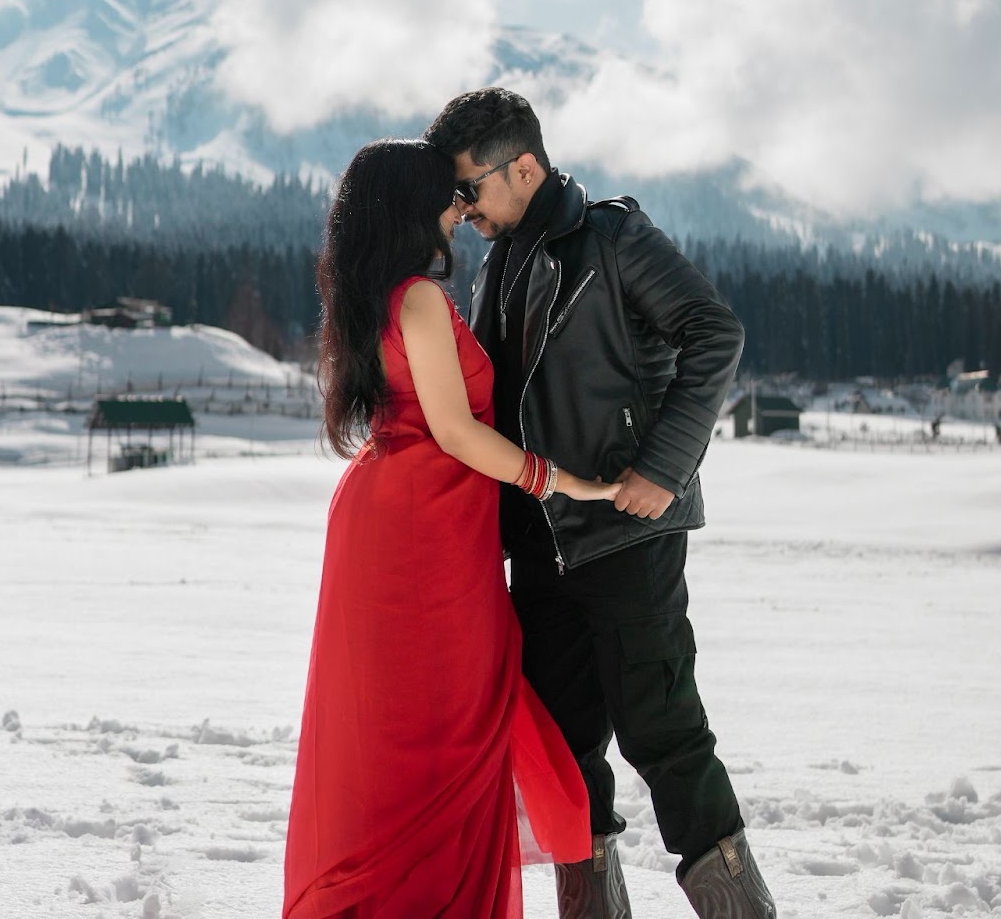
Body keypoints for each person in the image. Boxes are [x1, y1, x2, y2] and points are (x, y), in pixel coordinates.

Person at [425, 90, 778, 919]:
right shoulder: (501, 257)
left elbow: (714, 332)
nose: (462, 207)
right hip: (541, 545)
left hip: (624, 531)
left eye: (470, 187)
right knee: (565, 752)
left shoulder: (614, 238)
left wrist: (665, 464)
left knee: (665, 735)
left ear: (524, 166)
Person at [283, 138, 623, 919]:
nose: (460, 209)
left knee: (414, 729)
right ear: (413, 208)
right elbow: (458, 433)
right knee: (441, 729)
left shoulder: (376, 294)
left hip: (411, 520)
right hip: (419, 531)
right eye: (449, 196)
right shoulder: (419, 300)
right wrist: (559, 479)